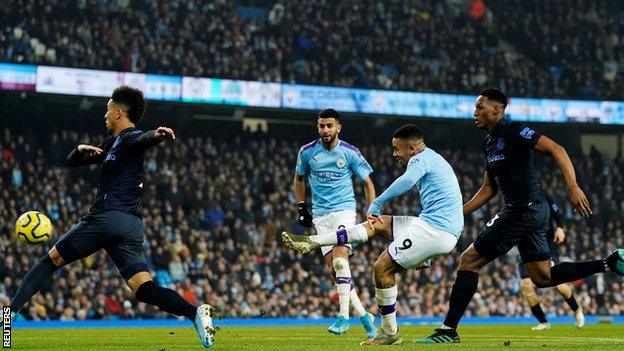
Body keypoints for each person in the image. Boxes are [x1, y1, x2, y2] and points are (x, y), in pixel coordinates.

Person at [9, 86, 215, 348]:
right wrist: (79, 151)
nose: (104, 117)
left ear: (118, 113)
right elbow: (72, 162)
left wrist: (156, 135)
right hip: (128, 226)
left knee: (49, 262)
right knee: (144, 289)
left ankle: (5, 321)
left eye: (107, 111)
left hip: (106, 218)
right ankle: (195, 313)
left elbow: (142, 140)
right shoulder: (112, 145)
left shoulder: (129, 137)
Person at [416, 88, 624, 344]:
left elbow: (557, 149)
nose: (475, 112)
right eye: (475, 107)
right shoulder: (489, 142)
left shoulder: (513, 130)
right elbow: (489, 188)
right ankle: (609, 263)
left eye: (480, 107)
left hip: (522, 210)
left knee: (469, 260)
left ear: (497, 110)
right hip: (530, 211)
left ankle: (448, 330)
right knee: (543, 277)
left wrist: (573, 187)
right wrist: (457, 213)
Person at [284, 124, 463, 345]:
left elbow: (407, 181)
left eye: (398, 149)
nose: (395, 154)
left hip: (436, 229)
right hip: (435, 225)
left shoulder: (420, 159)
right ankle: (313, 241)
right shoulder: (433, 159)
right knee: (377, 224)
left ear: (413, 148)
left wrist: (378, 201)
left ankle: (389, 334)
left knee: (382, 268)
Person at [294, 108, 377, 338]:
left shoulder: (350, 153)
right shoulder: (307, 152)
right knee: (334, 269)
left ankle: (343, 317)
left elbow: (368, 183)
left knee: (340, 260)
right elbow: (298, 179)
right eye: (321, 126)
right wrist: (301, 206)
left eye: (329, 125)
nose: (325, 130)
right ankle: (364, 315)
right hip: (321, 217)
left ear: (338, 128)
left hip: (344, 212)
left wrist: (372, 210)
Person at [518, 193, 584, 330]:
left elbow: (558, 214)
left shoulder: (543, 196)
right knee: (525, 285)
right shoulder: (514, 198)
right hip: (526, 247)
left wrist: (560, 228)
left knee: (558, 284)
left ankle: (577, 309)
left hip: (546, 245)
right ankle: (543, 322)